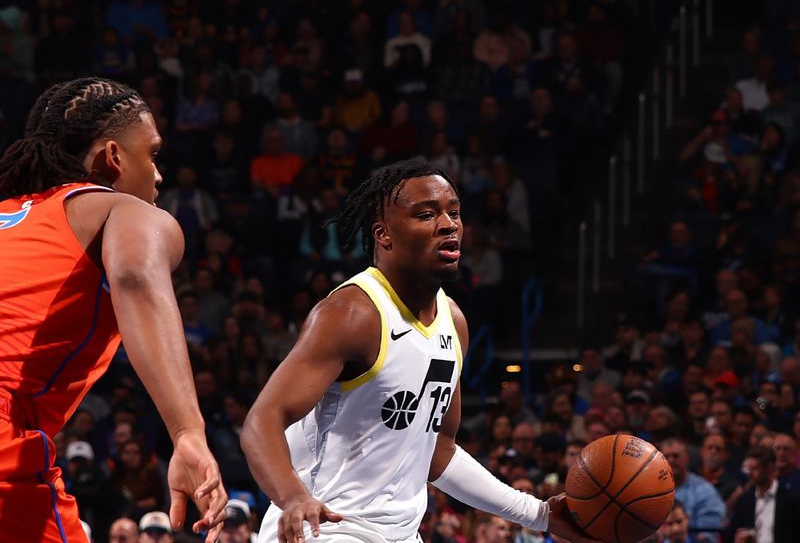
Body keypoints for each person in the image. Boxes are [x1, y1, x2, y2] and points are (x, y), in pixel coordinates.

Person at [241, 159, 597, 543]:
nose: (448, 225)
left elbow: (439, 450)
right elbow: (261, 421)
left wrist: (539, 513)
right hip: (325, 525)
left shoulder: (454, 321)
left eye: (454, 213)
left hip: (401, 534)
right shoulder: (352, 313)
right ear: (384, 235)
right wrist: (292, 497)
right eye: (426, 215)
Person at [0, 77, 226, 541]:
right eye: (153, 154)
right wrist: (187, 431)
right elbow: (135, 277)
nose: (159, 175)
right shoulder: (118, 210)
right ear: (113, 157)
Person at [727, 447, 800, 542]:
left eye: (754, 469)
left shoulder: (790, 500)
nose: (749, 474)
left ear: (769, 468)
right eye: (748, 469)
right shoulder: (745, 499)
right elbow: (732, 532)